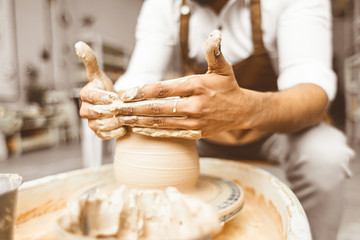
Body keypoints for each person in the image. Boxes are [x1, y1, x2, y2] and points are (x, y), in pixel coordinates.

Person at [78, 0, 355, 239]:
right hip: (199, 128)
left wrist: (245, 109)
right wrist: (113, 102)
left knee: (326, 154)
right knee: (141, 147)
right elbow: (140, 78)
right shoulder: (166, 5)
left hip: (276, 128)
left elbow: (313, 93)